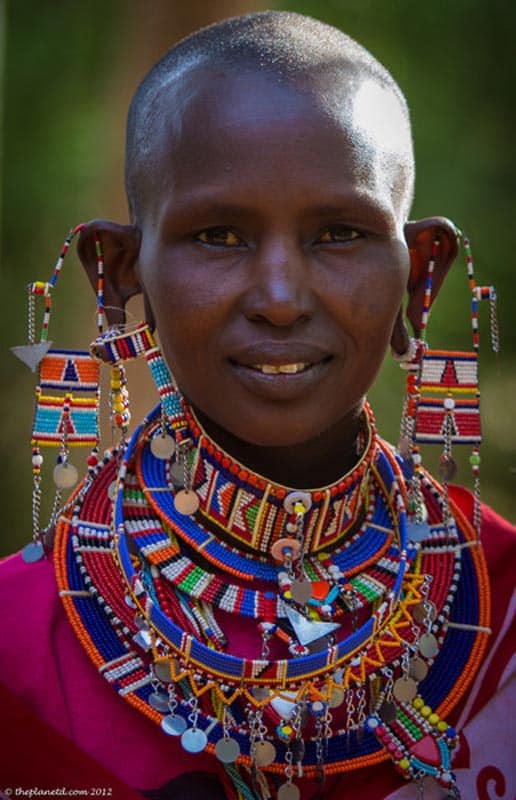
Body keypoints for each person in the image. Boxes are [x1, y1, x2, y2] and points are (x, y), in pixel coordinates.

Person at [0, 11, 514, 800]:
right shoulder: (16, 643)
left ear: (422, 274)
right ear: (118, 274)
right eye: (219, 236)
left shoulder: (502, 606)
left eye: (339, 232)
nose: (279, 298)